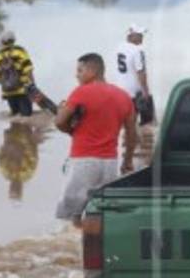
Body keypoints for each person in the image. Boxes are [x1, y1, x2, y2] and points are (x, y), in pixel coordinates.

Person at [53, 53, 138, 224]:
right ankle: (96, 245)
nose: (76, 75)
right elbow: (131, 134)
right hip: (110, 164)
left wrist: (71, 130)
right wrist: (127, 161)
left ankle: (76, 246)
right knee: (100, 213)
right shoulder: (123, 96)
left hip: (83, 162)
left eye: (80, 70)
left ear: (92, 70)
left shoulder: (81, 93)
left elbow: (59, 121)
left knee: (73, 214)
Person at [112, 24, 155, 125]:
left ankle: (128, 140)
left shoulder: (118, 47)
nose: (142, 36)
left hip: (120, 93)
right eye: (139, 34)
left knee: (126, 125)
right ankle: (137, 140)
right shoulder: (137, 51)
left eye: (142, 34)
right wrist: (146, 92)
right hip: (135, 94)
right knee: (147, 124)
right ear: (131, 36)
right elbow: (141, 72)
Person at [0, 30, 35, 117]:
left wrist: (6, 84)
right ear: (13, 40)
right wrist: (32, 85)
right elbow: (28, 69)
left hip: (8, 92)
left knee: (15, 115)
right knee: (27, 117)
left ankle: (16, 129)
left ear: (2, 41)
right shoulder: (20, 51)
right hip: (23, 90)